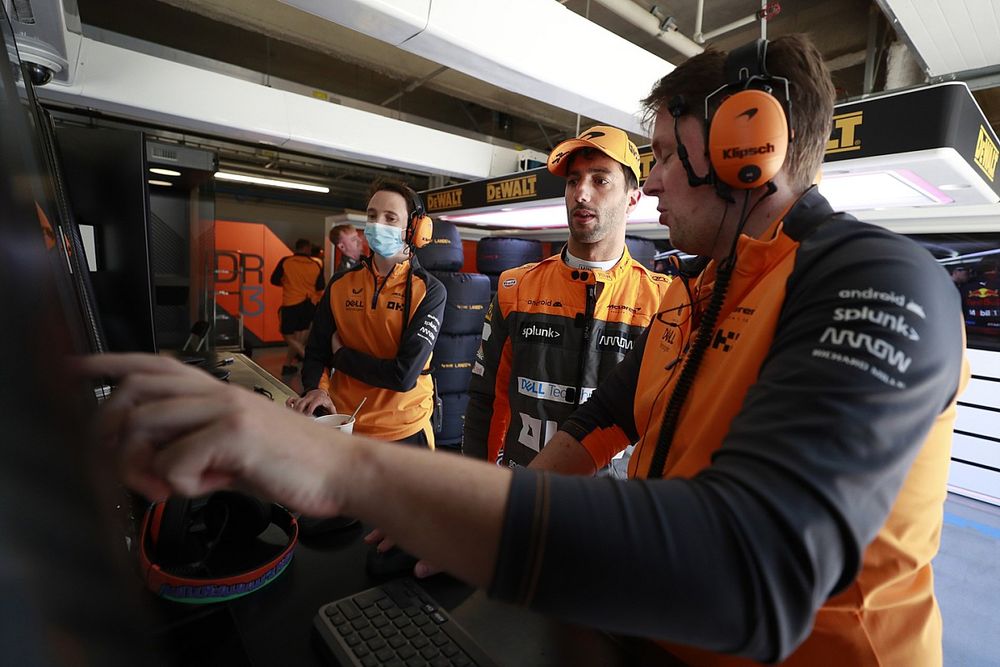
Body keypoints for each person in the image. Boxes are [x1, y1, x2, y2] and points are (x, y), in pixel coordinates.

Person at [81, 35, 967, 666]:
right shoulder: (702, 294)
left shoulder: (882, 284)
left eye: (660, 154)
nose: (649, 180)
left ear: (746, 144)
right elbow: (604, 418)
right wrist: (458, 514)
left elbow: (754, 572)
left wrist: (345, 468)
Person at [465, 125, 670, 471]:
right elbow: (487, 403)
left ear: (632, 200)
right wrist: (472, 491)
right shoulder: (515, 288)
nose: (581, 194)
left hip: (612, 510)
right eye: (573, 181)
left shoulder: (664, 300)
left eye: (600, 180)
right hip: (524, 496)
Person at [289, 180, 446, 448]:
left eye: (390, 217)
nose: (377, 224)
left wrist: (342, 356)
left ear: (414, 229)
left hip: (404, 429)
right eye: (372, 216)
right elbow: (316, 351)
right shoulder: (340, 285)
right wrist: (315, 389)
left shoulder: (429, 292)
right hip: (344, 423)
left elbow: (403, 376)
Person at [269, 238, 324, 376]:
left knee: (287, 335)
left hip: (291, 302)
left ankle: (308, 357)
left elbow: (274, 280)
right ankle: (287, 365)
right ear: (307, 248)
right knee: (300, 337)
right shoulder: (316, 263)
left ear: (297, 247)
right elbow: (320, 286)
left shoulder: (286, 261)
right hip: (309, 303)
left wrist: (288, 284)